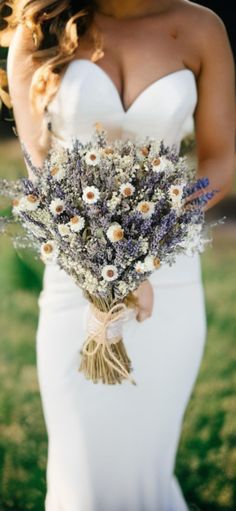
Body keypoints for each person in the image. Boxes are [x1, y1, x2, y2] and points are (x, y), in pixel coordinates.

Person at [2, 0, 235, 509]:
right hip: (74, 281)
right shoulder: (38, 32)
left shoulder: (200, 28)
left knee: (146, 462)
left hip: (170, 281)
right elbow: (41, 171)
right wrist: (105, 263)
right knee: (82, 472)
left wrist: (148, 240)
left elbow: (222, 159)